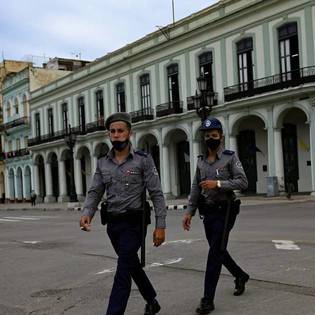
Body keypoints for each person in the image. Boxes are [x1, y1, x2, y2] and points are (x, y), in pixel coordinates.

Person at [79, 112, 166, 315]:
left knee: (122, 272)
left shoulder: (143, 160)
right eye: (113, 131)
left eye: (120, 131)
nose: (116, 135)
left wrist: (160, 226)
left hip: (135, 224)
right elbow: (95, 191)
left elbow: (157, 193)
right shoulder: (103, 163)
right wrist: (87, 213)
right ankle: (152, 300)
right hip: (114, 226)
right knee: (131, 265)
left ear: (129, 133)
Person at [182, 117, 250, 314]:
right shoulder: (201, 161)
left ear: (221, 136)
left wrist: (219, 184)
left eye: (213, 135)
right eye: (206, 136)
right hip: (208, 212)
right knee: (218, 249)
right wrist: (189, 212)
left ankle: (207, 299)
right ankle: (240, 275)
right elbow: (195, 187)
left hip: (226, 210)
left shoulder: (230, 157)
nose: (210, 138)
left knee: (214, 254)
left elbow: (243, 182)